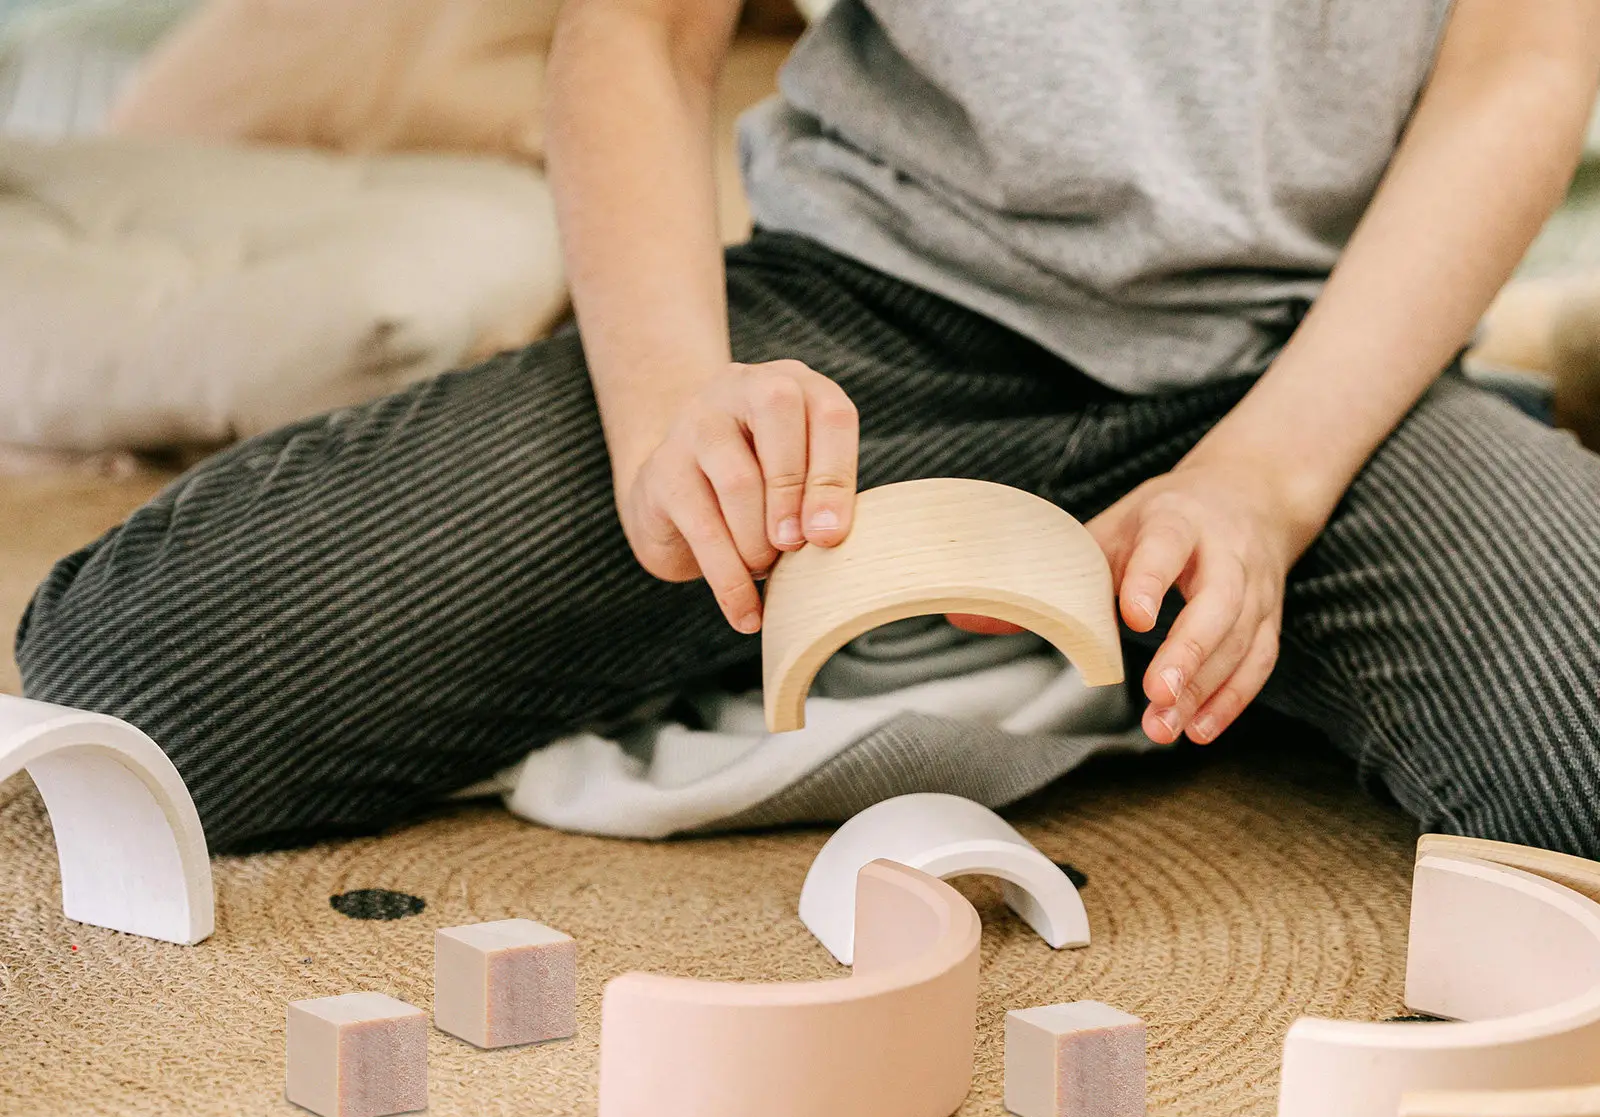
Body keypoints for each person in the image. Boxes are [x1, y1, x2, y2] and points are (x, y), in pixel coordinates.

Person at [17, 0, 1600, 853]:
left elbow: (1523, 73)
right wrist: (666, 413)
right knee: (148, 688)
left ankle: (1191, 620)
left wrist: (1265, 484)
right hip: (862, 326)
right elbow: (638, 36)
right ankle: (974, 623)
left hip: (1312, 376)